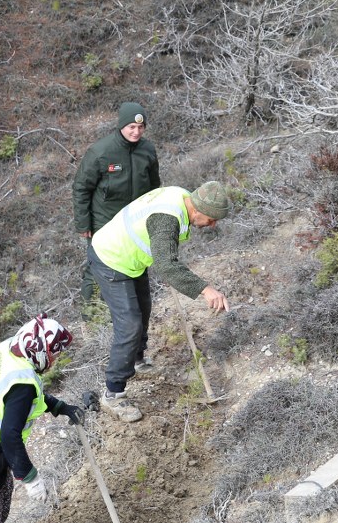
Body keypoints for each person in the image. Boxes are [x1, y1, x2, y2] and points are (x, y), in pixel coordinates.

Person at [87, 181, 231, 422]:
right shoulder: (167, 220)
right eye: (211, 219)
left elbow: (164, 253)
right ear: (198, 210)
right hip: (111, 258)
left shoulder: (183, 196)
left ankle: (138, 360)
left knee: (143, 311)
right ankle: (113, 393)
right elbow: (166, 264)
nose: (212, 225)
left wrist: (166, 258)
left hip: (132, 257)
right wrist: (205, 290)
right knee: (130, 325)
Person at [0, 314, 85, 523]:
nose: (53, 362)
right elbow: (10, 435)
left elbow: (14, 399)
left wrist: (60, 407)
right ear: (38, 350)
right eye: (52, 355)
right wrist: (31, 478)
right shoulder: (23, 382)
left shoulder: (10, 350)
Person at [72, 102, 160, 303]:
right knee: (97, 268)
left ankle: (127, 311)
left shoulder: (148, 150)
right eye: (131, 127)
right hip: (104, 221)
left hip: (135, 221)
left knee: (134, 263)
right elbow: (81, 188)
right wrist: (83, 223)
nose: (136, 132)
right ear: (121, 125)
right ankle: (91, 315)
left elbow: (155, 187)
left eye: (141, 127)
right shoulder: (101, 151)